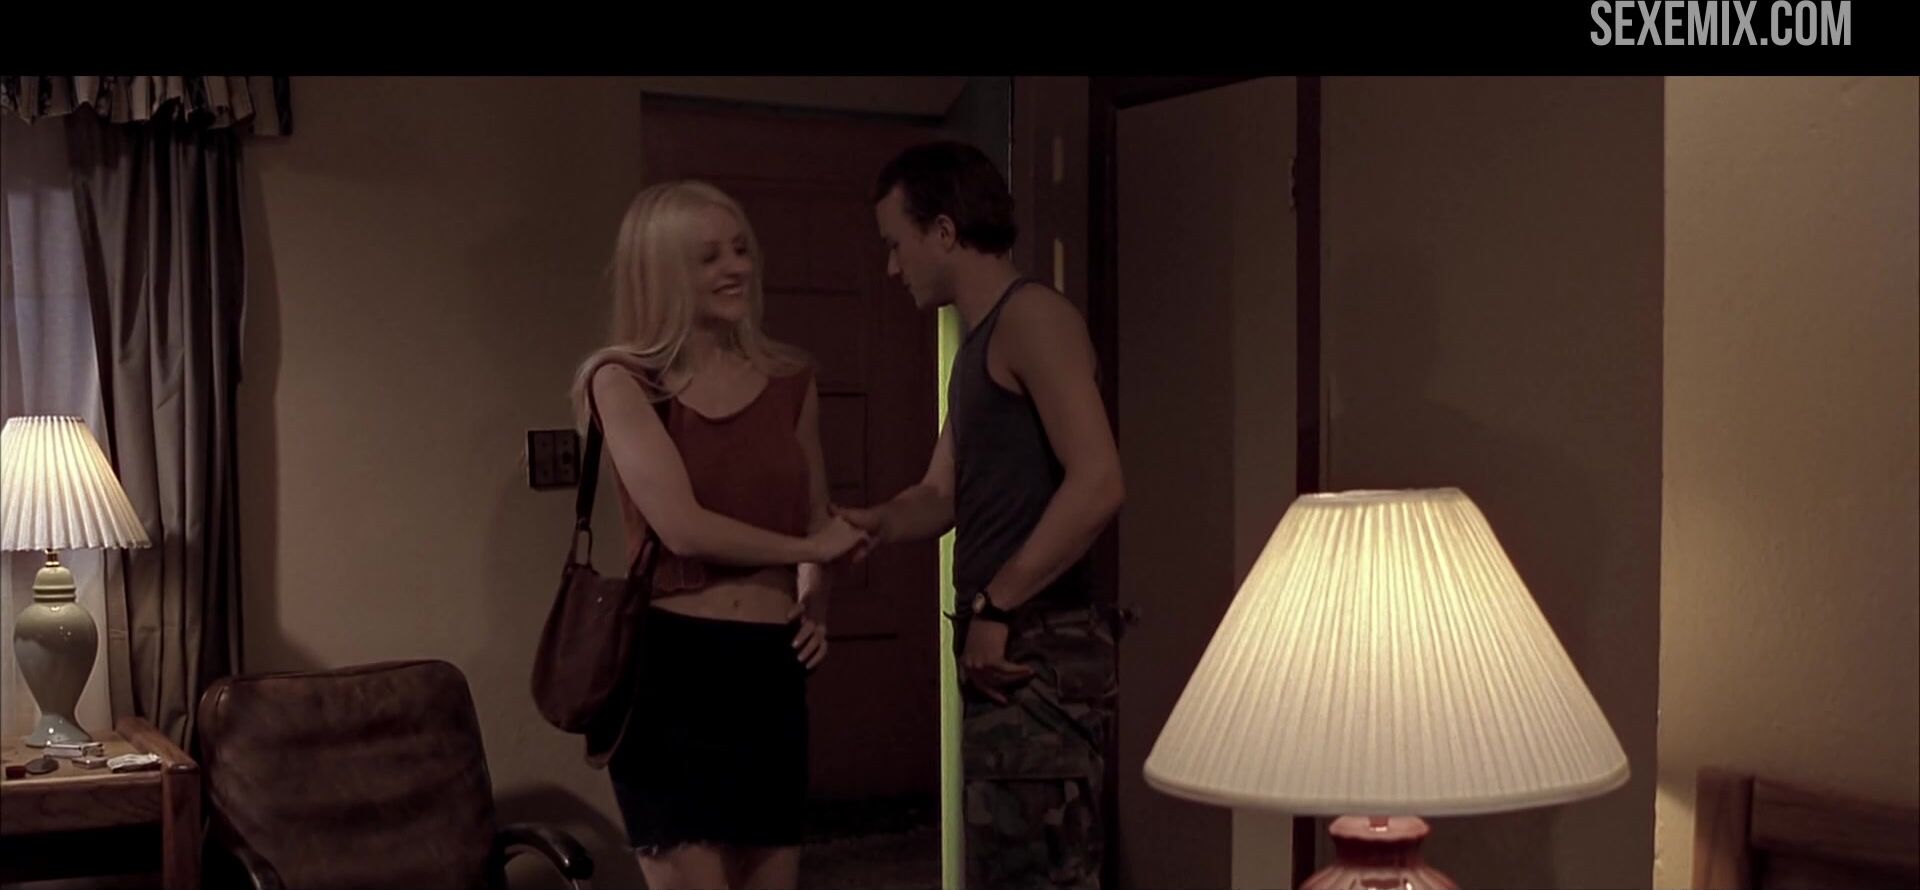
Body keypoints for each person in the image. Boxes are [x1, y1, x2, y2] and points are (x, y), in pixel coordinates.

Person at [837, 141, 1126, 890]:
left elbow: (1098, 483)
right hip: (1005, 651)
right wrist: (874, 521)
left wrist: (998, 604)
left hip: (1038, 646)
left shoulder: (1033, 318)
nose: (892, 267)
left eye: (896, 244)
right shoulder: (975, 348)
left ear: (943, 231)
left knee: (1045, 875)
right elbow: (941, 494)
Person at [569, 179, 869, 890]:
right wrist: (809, 551)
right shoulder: (622, 379)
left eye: (740, 250)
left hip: (769, 669)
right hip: (675, 670)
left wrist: (815, 598)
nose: (736, 268)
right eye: (709, 257)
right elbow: (682, 527)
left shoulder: (790, 378)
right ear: (662, 273)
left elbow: (815, 517)